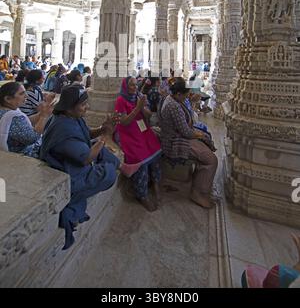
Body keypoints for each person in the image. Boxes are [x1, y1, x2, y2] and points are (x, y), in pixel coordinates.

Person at [40, 84, 120, 250]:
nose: (87, 107)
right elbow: (86, 158)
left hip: (76, 156)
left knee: (106, 154)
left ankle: (123, 166)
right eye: (83, 105)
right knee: (108, 174)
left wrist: (101, 130)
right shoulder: (63, 127)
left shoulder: (71, 118)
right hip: (66, 168)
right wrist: (105, 136)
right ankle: (74, 200)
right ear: (69, 108)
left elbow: (86, 134)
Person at [158, 77, 218, 209]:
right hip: (174, 141)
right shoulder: (172, 105)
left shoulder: (174, 99)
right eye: (185, 95)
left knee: (205, 140)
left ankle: (200, 185)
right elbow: (186, 132)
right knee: (211, 159)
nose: (187, 97)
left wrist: (199, 134)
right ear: (178, 94)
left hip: (180, 135)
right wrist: (199, 134)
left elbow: (186, 123)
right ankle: (198, 193)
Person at [114, 76, 162, 212]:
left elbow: (147, 115)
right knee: (140, 159)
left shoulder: (138, 96)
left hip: (141, 129)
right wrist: (137, 108)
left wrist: (143, 106)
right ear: (125, 86)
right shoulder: (121, 100)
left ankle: (156, 184)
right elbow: (124, 122)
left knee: (156, 149)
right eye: (131, 85)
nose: (135, 88)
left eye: (136, 85)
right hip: (127, 132)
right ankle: (142, 194)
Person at [0, 81, 52, 157]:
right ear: (8, 99)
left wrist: (41, 113)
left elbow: (27, 120)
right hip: (21, 154)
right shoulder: (14, 117)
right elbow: (32, 138)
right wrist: (44, 117)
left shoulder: (6, 110)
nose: (26, 96)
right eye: (21, 93)